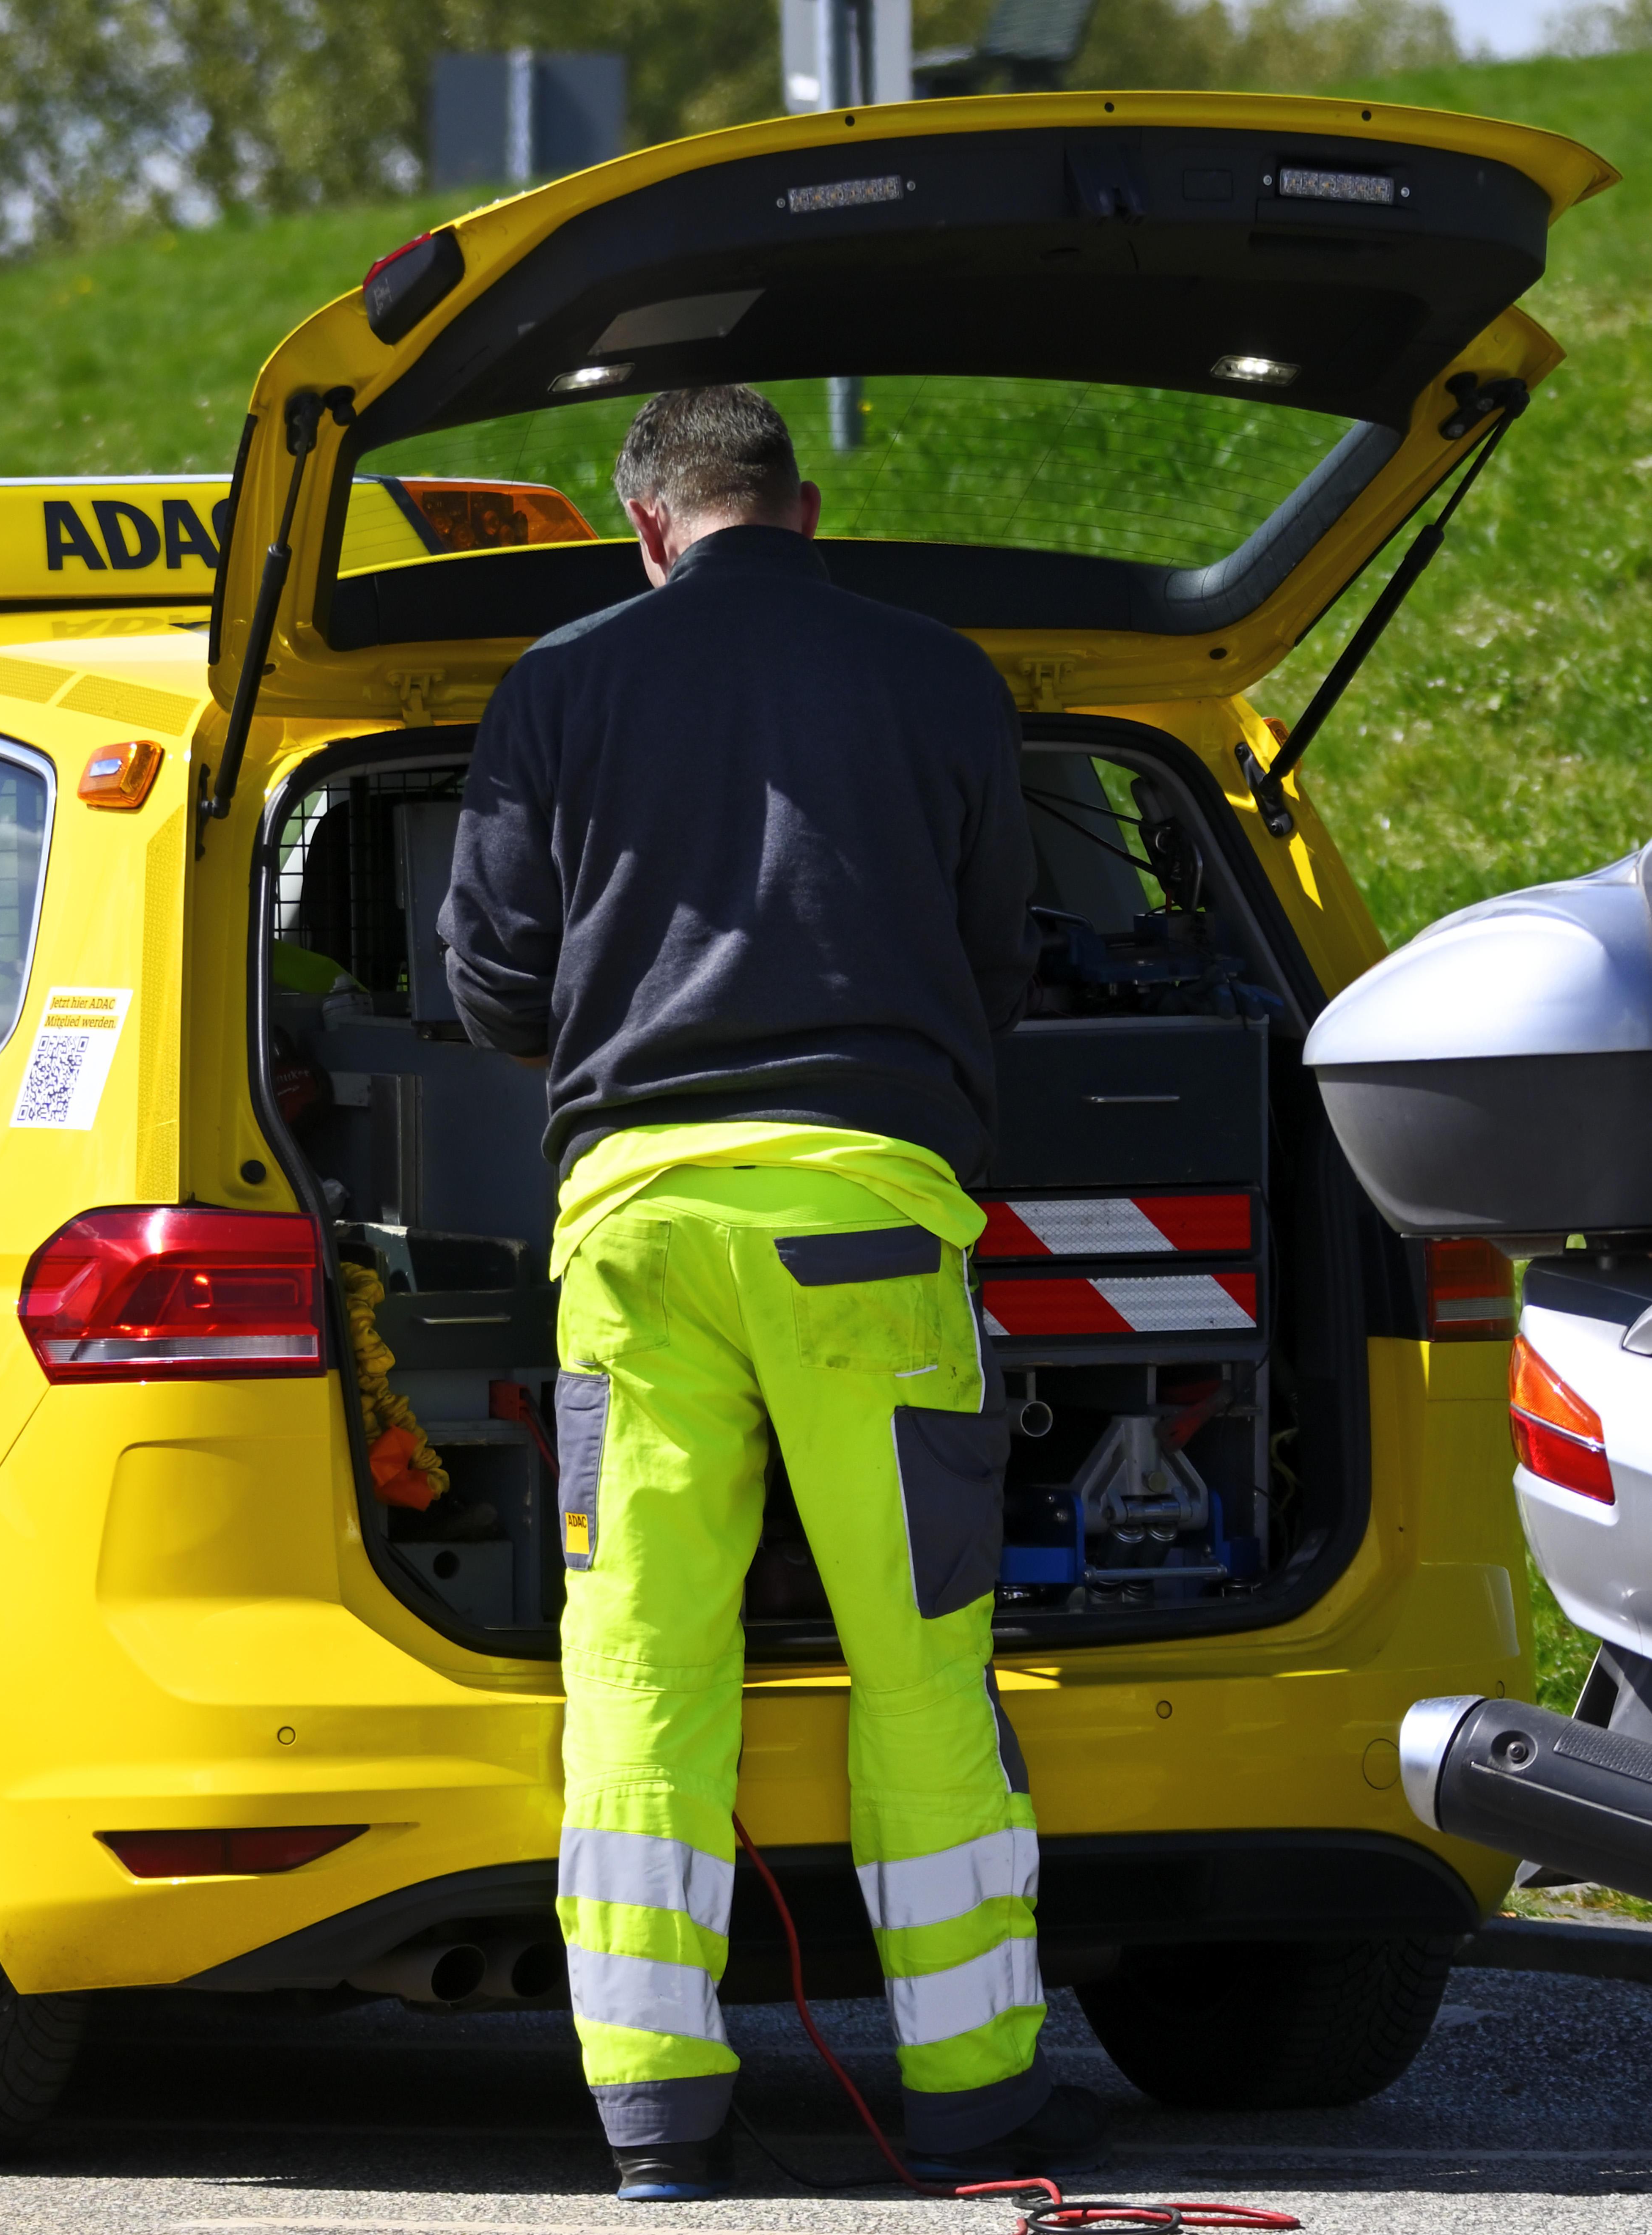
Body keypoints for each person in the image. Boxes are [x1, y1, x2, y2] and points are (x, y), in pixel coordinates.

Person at [438, 386, 1088, 2202]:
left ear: (640, 524)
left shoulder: (554, 681)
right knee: (916, 1657)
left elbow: (487, 972)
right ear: (798, 509)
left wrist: (610, 1044)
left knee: (640, 1663)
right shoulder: (936, 675)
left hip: (630, 1232)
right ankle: (967, 2096)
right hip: (865, 1222)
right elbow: (993, 953)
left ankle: (655, 2118)